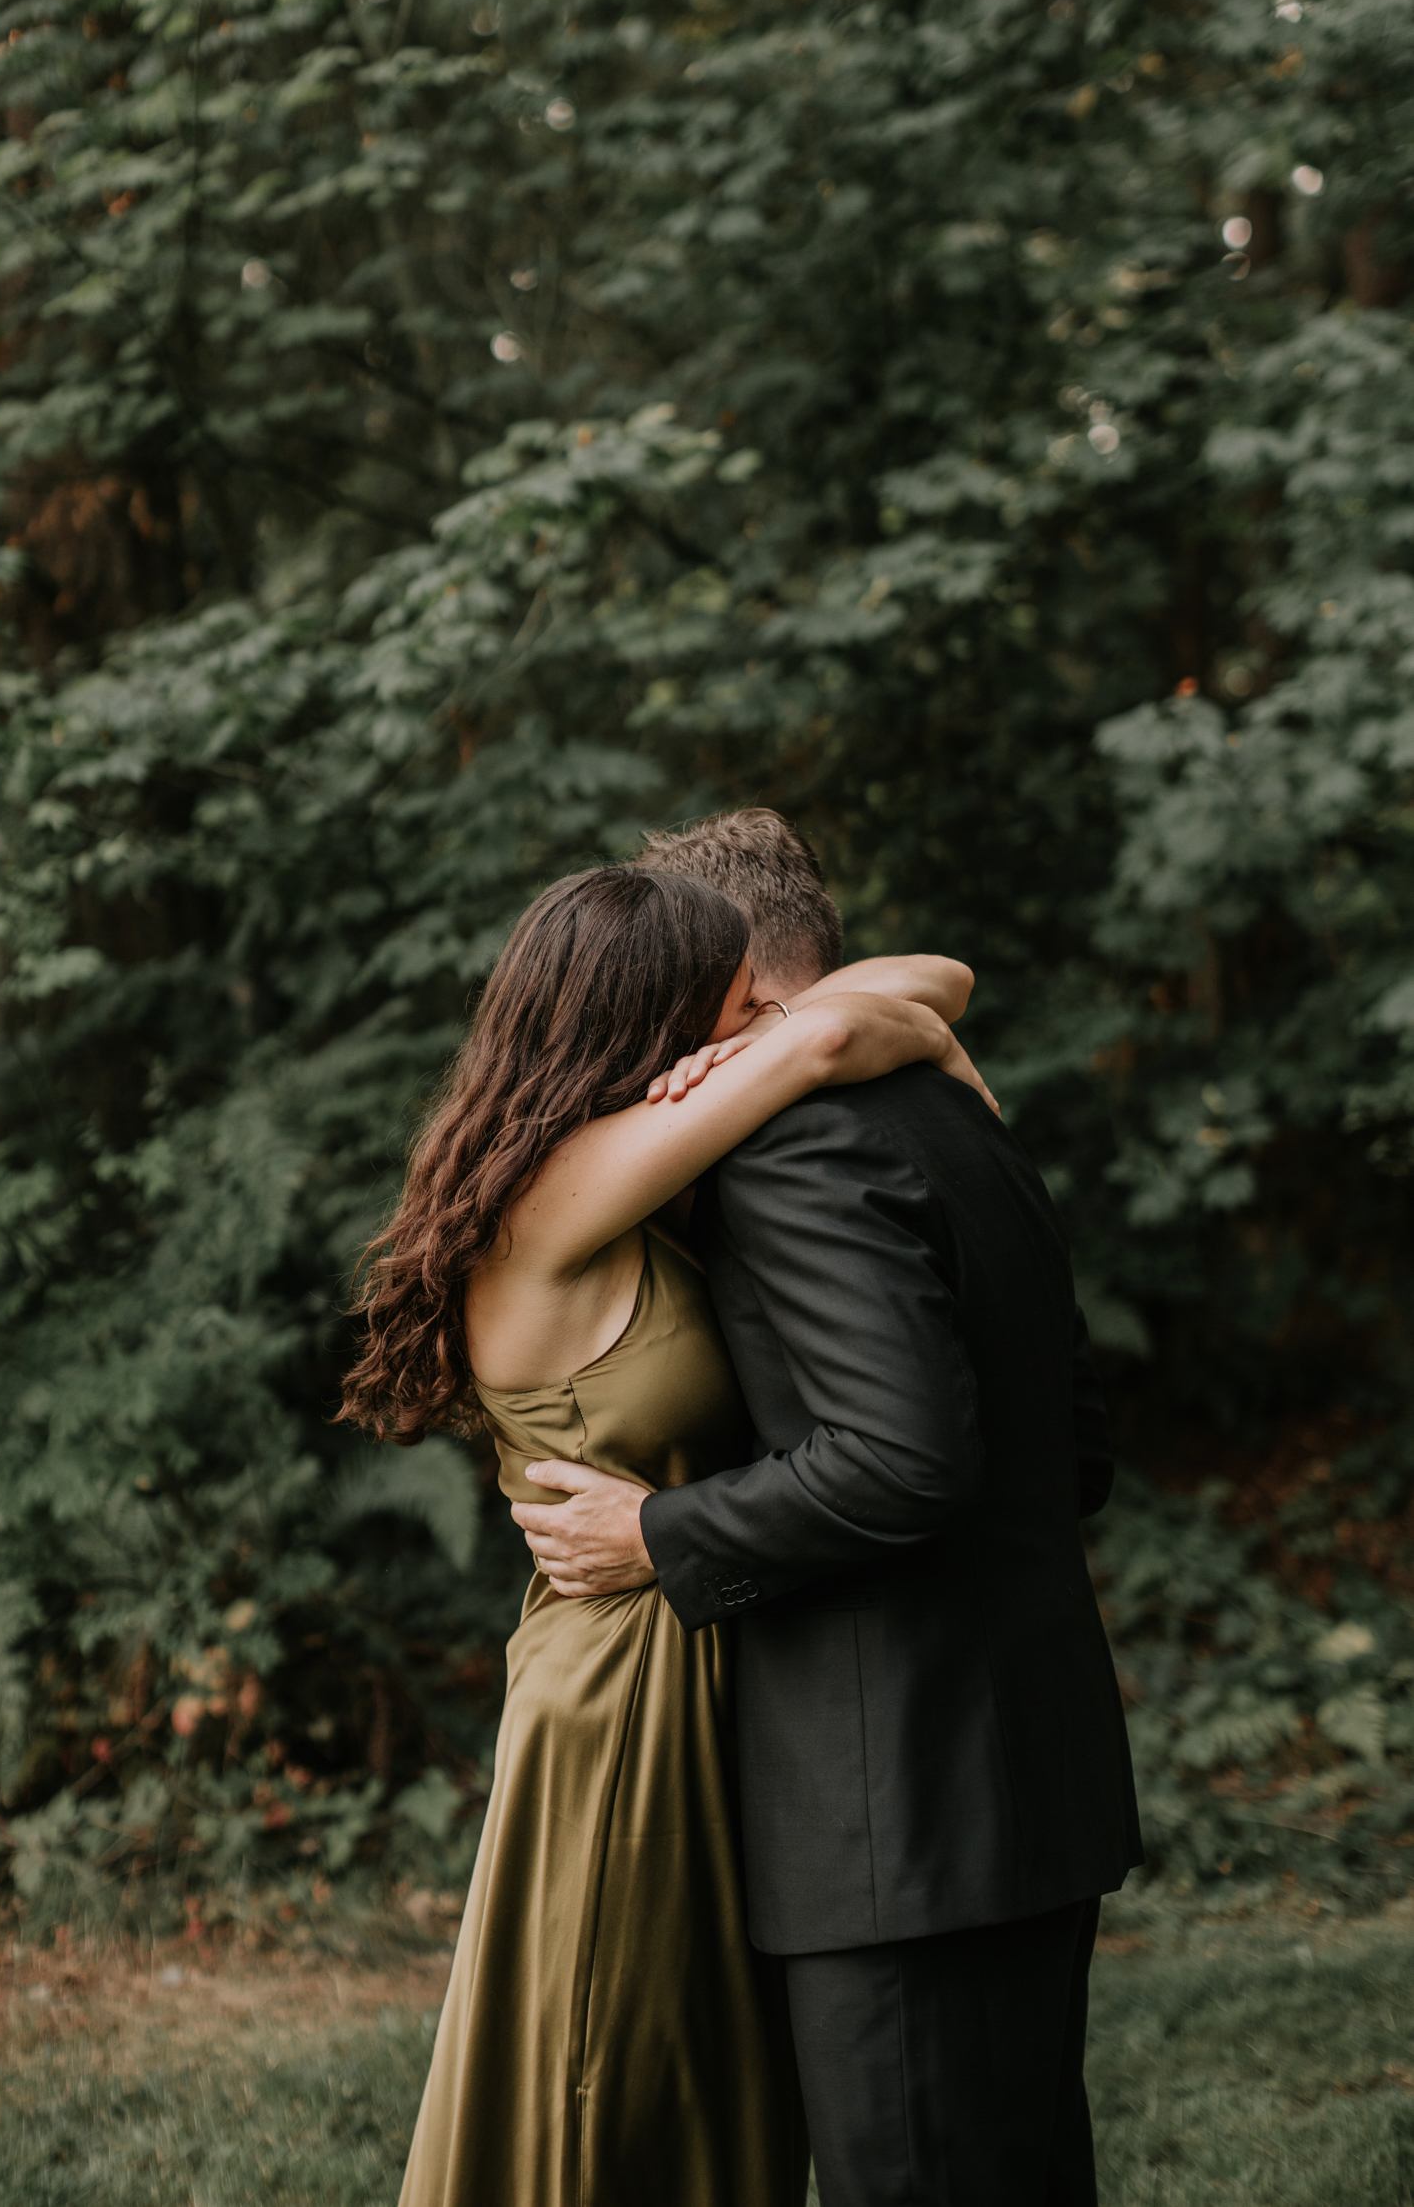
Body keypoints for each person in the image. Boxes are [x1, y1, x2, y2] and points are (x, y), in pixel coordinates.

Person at [517, 810, 1144, 2207]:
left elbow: (905, 1461)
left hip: (894, 1816)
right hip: (1025, 1782)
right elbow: (1078, 1453)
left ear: (732, 986)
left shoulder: (787, 1151)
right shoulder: (957, 1115)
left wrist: (656, 1537)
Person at [338, 859, 987, 2207]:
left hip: (698, 1636)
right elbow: (868, 1022)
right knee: (607, 2073)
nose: (740, 1039)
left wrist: (791, 1038)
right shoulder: (558, 1190)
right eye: (722, 1013)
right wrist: (814, 1045)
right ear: (649, 1029)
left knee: (711, 2082)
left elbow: (934, 986)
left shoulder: (624, 1155)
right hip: (621, 1691)